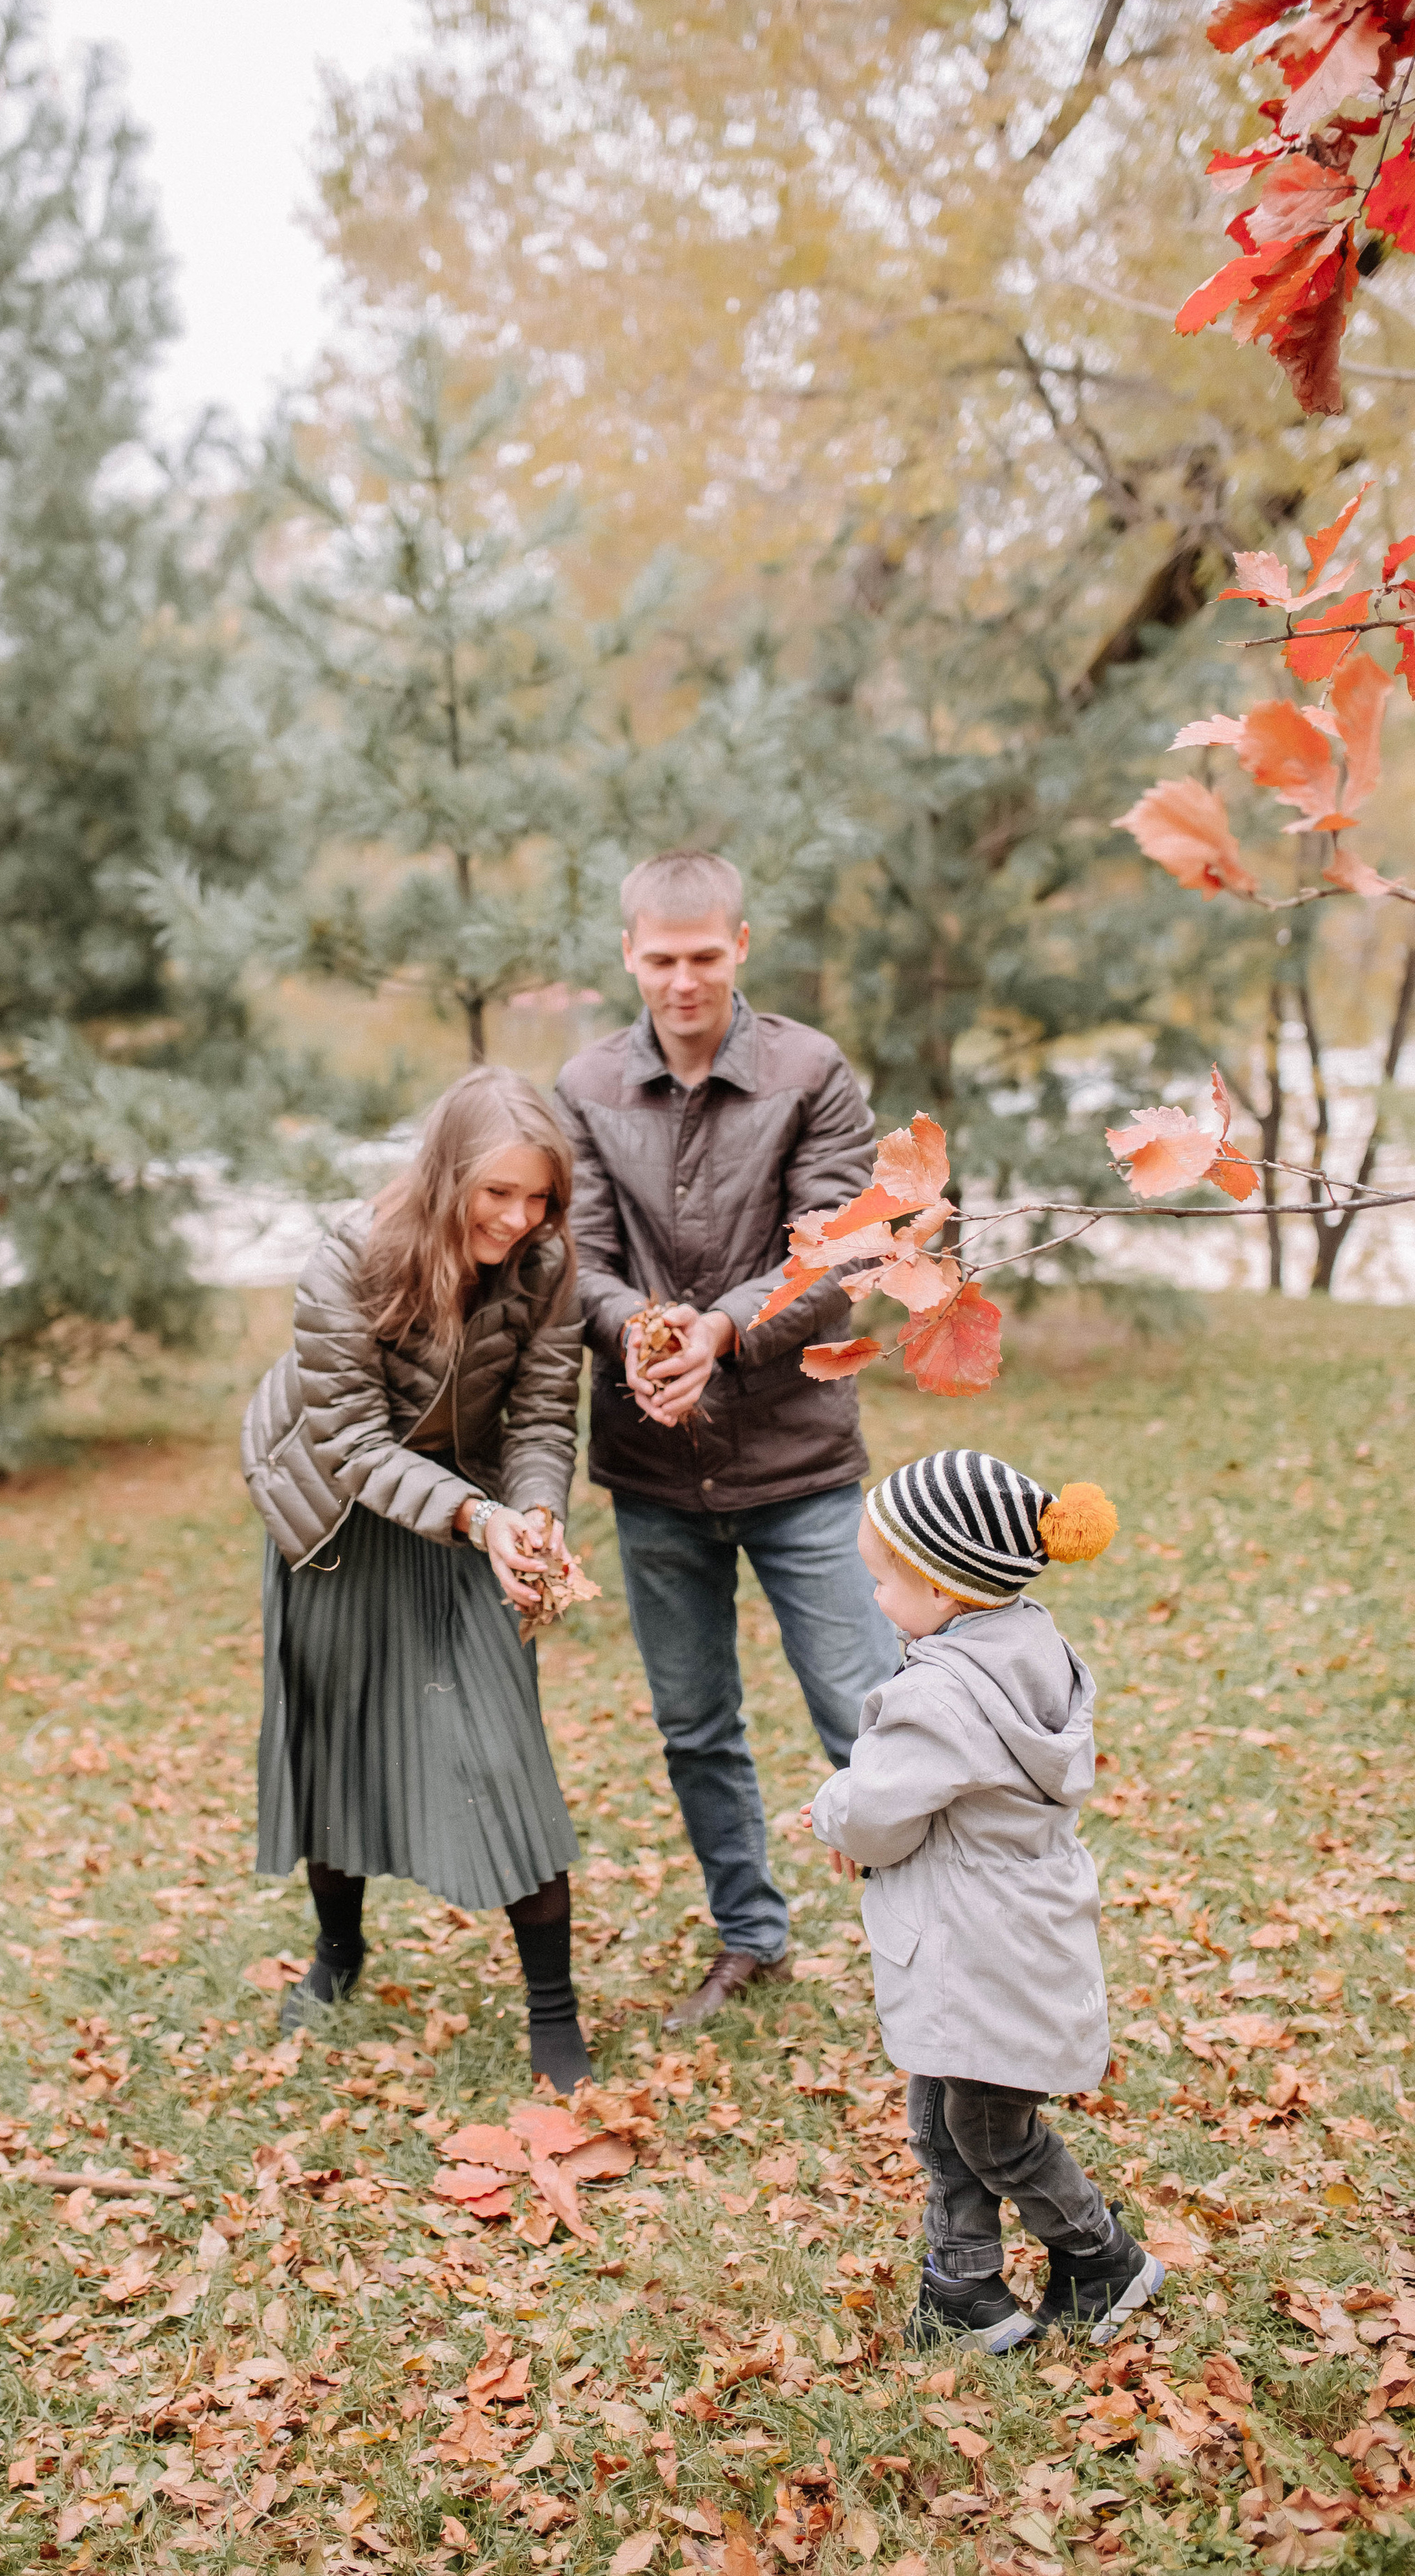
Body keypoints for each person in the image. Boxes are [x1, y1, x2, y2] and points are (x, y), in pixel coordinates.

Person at [554, 849, 899, 2031]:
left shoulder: (811, 1070)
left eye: (706, 957)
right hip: (651, 1465)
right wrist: (643, 1330)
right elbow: (579, 1260)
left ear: (741, 946)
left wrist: (724, 1328)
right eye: (662, 959)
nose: (684, 980)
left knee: (867, 1710)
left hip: (800, 1457)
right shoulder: (587, 1084)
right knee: (695, 1725)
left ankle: (926, 1937)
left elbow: (841, 1248)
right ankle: (749, 1936)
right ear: (628, 955)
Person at [240, 1066, 592, 2092]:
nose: (521, 1219)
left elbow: (540, 1416)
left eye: (540, 1199)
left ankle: (555, 2016)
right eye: (499, 1195)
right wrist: (477, 1515)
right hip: (338, 1516)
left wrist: (534, 1515)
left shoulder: (547, 1264)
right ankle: (339, 1952)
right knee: (337, 1743)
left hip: (471, 1513)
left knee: (506, 1751)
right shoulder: (350, 1259)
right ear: (447, 1179)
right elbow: (349, 1442)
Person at [804, 1449, 1165, 2350]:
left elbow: (880, 1812)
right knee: (944, 2110)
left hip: (979, 1941)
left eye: (885, 1581)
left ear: (942, 1590)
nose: (877, 1599)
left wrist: (828, 1815)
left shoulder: (939, 1694)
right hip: (1013, 1920)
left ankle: (1104, 2257)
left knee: (989, 2128)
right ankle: (963, 2289)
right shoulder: (1030, 1645)